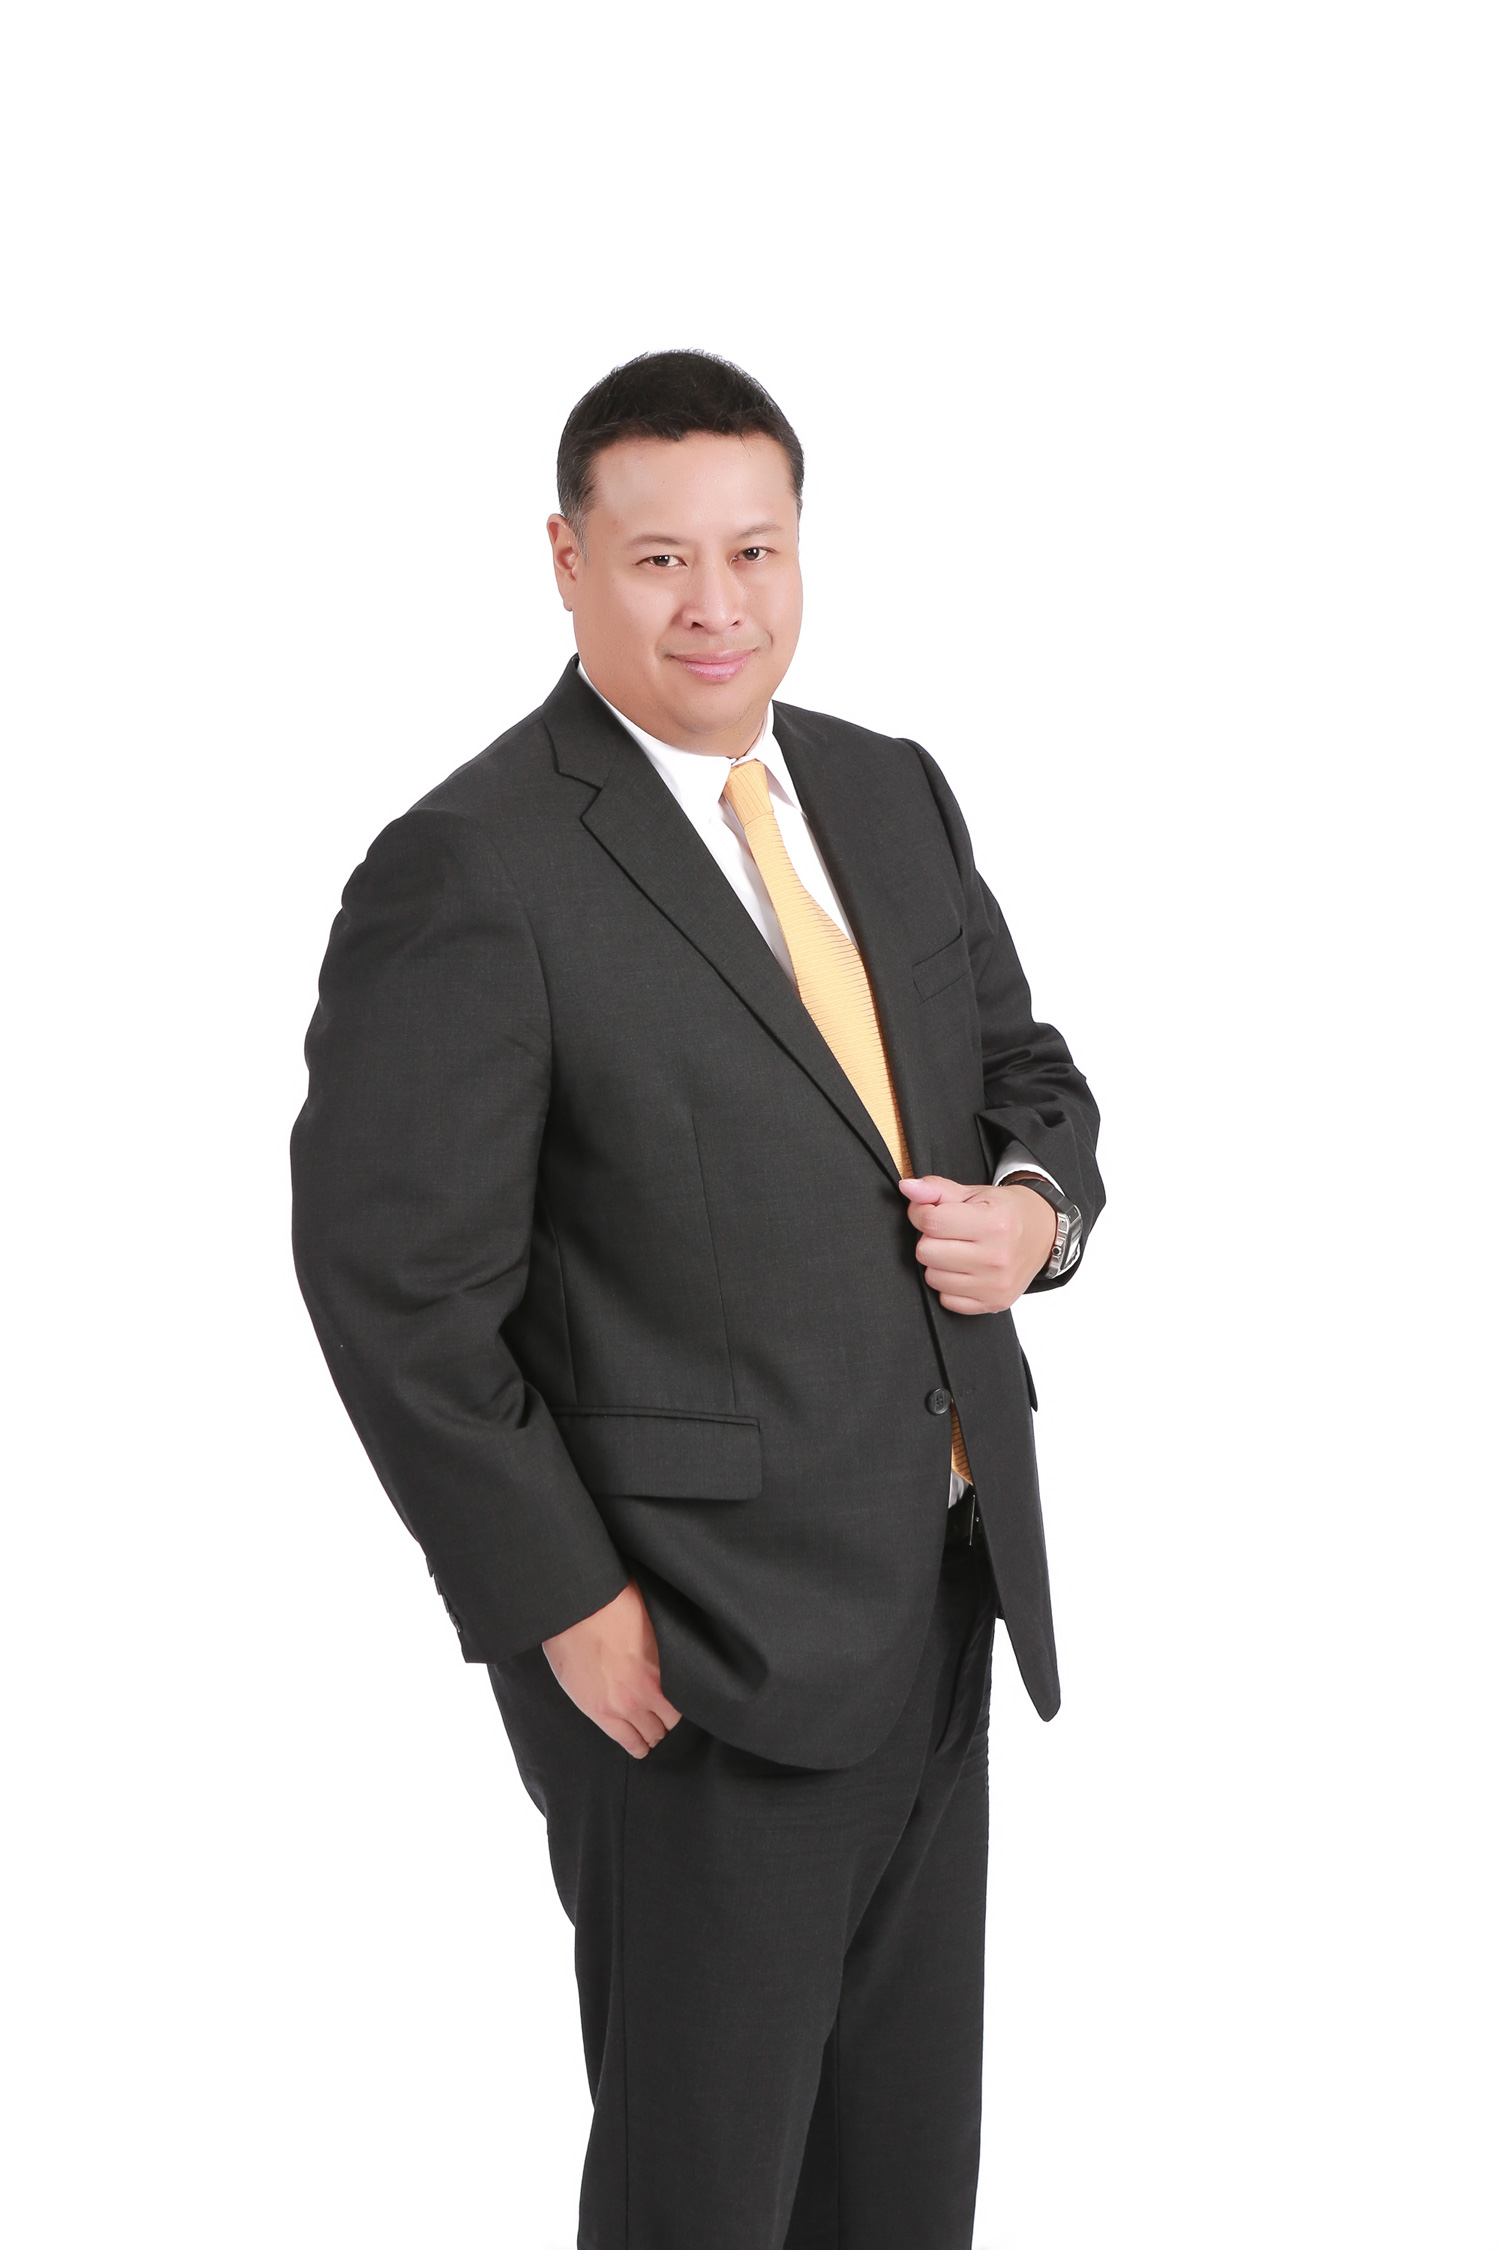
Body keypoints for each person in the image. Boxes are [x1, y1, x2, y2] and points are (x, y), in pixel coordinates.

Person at [291, 349, 1104, 2250]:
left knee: (900, 2188)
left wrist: (1035, 1212)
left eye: (756, 549)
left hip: (939, 1596)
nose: (717, 603)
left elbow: (1026, 1073)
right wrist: (562, 1602)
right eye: (661, 558)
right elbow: (395, 1286)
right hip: (690, 1654)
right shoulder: (470, 868)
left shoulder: (888, 790)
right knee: (706, 2198)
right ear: (568, 561)